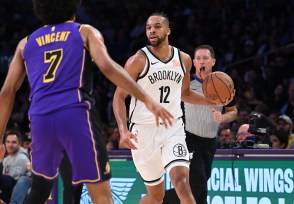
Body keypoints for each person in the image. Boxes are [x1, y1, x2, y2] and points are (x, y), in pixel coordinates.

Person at [0, 1, 173, 203]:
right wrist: (146, 98)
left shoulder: (25, 43)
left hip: (39, 118)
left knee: (39, 189)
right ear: (74, 7)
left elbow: (7, 91)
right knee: (101, 194)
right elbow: (108, 67)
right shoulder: (84, 31)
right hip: (75, 113)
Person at [113, 13, 231, 204]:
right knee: (156, 197)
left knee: (183, 183)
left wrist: (213, 100)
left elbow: (185, 94)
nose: (151, 30)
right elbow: (119, 96)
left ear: (168, 31)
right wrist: (123, 130)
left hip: (173, 128)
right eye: (148, 27)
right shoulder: (138, 61)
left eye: (157, 26)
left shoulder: (183, 59)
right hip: (143, 132)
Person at [181, 45, 237, 204]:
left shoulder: (224, 82)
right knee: (199, 185)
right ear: (193, 62)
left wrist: (223, 118)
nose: (201, 61)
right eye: (198, 58)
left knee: (199, 182)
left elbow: (233, 111)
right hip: (189, 139)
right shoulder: (186, 82)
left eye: (205, 58)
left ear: (213, 61)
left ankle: (171, 199)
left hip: (211, 141)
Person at [1, 131, 32, 203]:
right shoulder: (6, 159)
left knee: (7, 179)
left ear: (20, 143)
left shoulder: (22, 158)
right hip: (9, 190)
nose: (10, 145)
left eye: (13, 142)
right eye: (8, 142)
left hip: (20, 190)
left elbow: (15, 179)